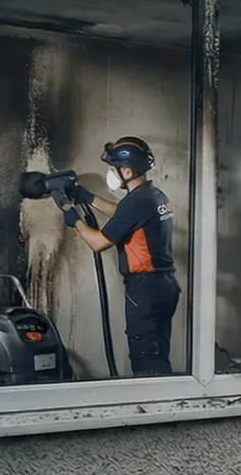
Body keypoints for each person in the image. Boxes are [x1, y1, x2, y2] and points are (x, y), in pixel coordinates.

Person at [62, 136, 179, 377]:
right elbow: (124, 216)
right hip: (165, 287)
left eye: (114, 168)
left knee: (146, 361)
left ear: (126, 170)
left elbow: (97, 243)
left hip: (144, 290)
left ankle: (153, 409)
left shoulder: (136, 204)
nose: (111, 172)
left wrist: (74, 220)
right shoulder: (155, 196)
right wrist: (89, 198)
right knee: (158, 354)